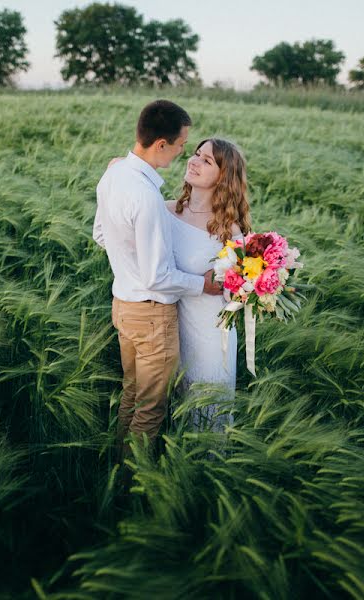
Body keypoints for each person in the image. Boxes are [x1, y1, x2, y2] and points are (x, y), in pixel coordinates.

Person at [92, 100, 222, 462]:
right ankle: (132, 486)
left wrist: (129, 258)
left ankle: (116, 471)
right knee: (150, 410)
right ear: (160, 144)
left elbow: (101, 235)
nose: (184, 153)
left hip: (123, 307)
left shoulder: (114, 175)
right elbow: (157, 276)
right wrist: (204, 285)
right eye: (182, 145)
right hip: (151, 316)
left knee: (132, 396)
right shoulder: (147, 196)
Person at [165, 138, 251, 432]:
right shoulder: (165, 211)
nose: (194, 161)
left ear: (223, 176)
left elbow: (237, 292)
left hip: (211, 337)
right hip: (168, 328)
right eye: (195, 154)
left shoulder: (230, 231)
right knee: (171, 412)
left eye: (207, 160)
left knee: (206, 417)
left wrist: (250, 282)